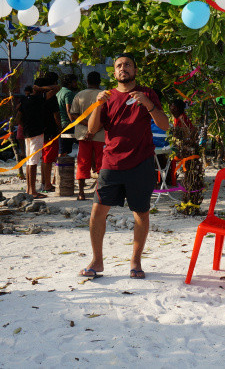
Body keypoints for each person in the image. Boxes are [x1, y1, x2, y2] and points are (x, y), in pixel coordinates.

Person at [81, 53, 169, 280]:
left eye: (128, 65)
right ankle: (97, 261)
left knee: (141, 213)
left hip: (141, 163)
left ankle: (136, 261)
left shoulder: (148, 93)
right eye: (119, 65)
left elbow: (164, 125)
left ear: (135, 70)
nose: (123, 68)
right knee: (97, 212)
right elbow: (91, 130)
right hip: (111, 163)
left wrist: (148, 103)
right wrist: (97, 104)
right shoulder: (107, 96)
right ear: (115, 72)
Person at [69, 71, 104, 200]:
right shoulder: (104, 96)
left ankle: (81, 193)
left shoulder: (79, 95)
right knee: (101, 164)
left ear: (87, 81)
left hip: (83, 135)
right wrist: (94, 128)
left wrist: (89, 127)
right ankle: (100, 192)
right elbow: (107, 117)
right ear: (99, 81)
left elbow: (74, 114)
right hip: (100, 135)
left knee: (83, 163)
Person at [15, 78, 48, 197]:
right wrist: (42, 89)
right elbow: (56, 88)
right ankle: (33, 191)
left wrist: (26, 126)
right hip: (37, 132)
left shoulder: (23, 101)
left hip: (27, 132)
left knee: (29, 162)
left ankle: (29, 189)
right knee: (33, 162)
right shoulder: (40, 99)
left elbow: (17, 119)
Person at [36, 75, 61, 194]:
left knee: (44, 158)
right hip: (50, 131)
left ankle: (43, 182)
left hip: (40, 130)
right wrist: (60, 128)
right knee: (48, 159)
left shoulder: (36, 98)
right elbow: (56, 116)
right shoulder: (50, 98)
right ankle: (47, 184)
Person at [56, 74, 78, 155]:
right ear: (69, 83)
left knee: (62, 150)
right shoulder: (69, 93)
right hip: (67, 124)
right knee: (64, 151)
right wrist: (74, 124)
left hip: (60, 124)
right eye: (75, 82)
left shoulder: (59, 93)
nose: (76, 84)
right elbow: (69, 110)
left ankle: (60, 166)